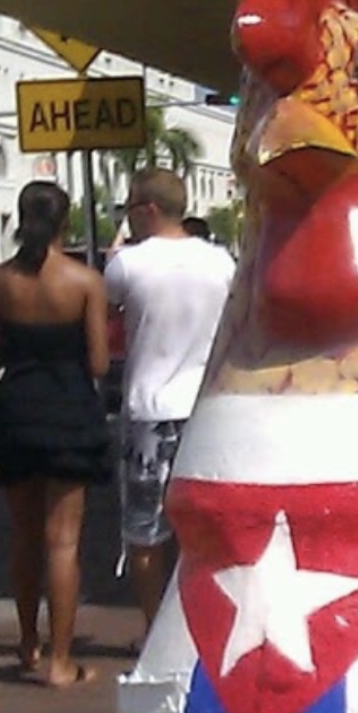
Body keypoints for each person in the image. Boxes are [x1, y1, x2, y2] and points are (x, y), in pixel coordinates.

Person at [0, 181, 112, 686]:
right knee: (63, 542)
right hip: (69, 414)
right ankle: (61, 662)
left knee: (23, 537)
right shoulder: (85, 282)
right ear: (64, 222)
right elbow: (98, 362)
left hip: (16, 413)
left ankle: (27, 643)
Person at [103, 168, 236, 632]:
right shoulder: (221, 262)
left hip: (149, 411)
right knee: (206, 530)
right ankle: (199, 630)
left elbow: (103, 313)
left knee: (145, 533)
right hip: (207, 412)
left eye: (130, 209)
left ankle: (153, 630)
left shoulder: (127, 265)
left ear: (148, 210)